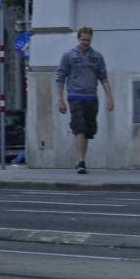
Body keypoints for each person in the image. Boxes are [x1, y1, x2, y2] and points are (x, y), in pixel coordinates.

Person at [56, 25, 113, 174]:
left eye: (88, 40)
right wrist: (60, 99)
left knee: (88, 131)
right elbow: (61, 77)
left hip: (91, 97)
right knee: (78, 128)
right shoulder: (68, 56)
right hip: (75, 96)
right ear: (78, 38)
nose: (86, 43)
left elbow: (103, 77)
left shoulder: (97, 57)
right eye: (83, 40)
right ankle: (80, 161)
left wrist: (109, 97)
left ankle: (80, 160)